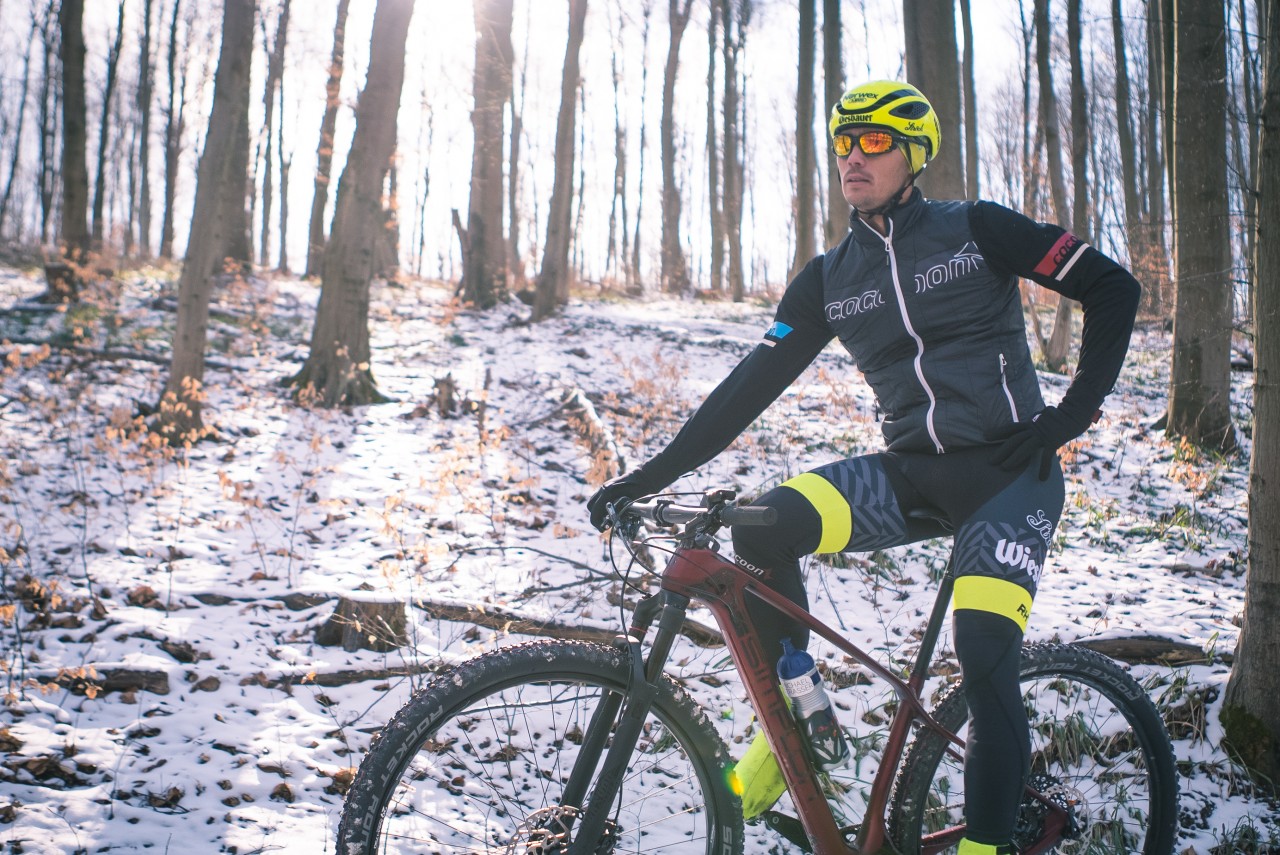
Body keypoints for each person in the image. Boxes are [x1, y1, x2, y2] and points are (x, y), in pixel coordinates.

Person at [588, 80, 1140, 854]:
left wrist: (1072, 414)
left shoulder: (977, 228)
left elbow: (1113, 287)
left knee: (982, 656)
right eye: (844, 140)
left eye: (874, 141)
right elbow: (745, 389)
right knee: (764, 522)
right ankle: (807, 713)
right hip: (909, 474)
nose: (853, 154)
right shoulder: (829, 279)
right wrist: (647, 474)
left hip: (1009, 478)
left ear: (914, 154)